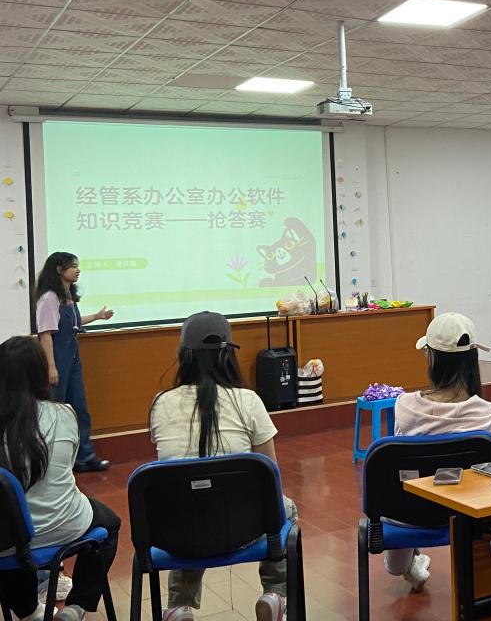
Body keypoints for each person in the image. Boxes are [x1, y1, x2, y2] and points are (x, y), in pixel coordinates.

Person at [149, 312, 295, 621]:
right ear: (228, 355)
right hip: (243, 528)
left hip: (179, 534)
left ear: (183, 356)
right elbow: (271, 479)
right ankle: (275, 593)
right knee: (286, 507)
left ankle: (178, 604)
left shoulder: (161, 404)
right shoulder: (249, 401)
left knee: (188, 503)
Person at [0, 336, 120, 621]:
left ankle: (29, 612)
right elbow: (65, 466)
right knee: (111, 525)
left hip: (7, 539)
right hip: (65, 524)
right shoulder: (65, 414)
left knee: (11, 545)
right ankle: (76, 608)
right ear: (41, 374)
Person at [390, 312, 491, 591]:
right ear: (473, 359)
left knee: (395, 565)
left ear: (431, 357)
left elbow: (397, 463)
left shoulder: (404, 406)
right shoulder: (486, 413)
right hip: (464, 510)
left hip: (408, 513)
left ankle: (409, 563)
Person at [34, 252, 113, 473]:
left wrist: (97, 316)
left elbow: (75, 322)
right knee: (56, 410)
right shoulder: (49, 298)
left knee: (79, 409)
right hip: (57, 359)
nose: (78, 270)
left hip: (73, 359)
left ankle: (85, 456)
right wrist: (51, 367)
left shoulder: (68, 296)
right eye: (73, 266)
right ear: (59, 269)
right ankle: (54, 460)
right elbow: (46, 334)